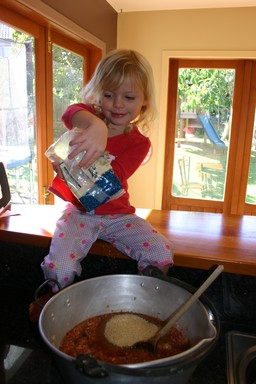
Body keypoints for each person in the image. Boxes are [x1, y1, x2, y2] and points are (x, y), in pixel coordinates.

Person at [30, 49, 174, 320]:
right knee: (60, 267)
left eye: (129, 97)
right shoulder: (87, 117)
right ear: (98, 94)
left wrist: (72, 169)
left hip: (118, 215)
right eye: (108, 95)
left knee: (161, 250)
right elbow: (70, 112)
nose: (118, 104)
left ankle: (147, 297)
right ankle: (52, 300)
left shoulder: (139, 144)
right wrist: (97, 126)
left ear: (144, 102)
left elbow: (110, 183)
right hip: (79, 213)